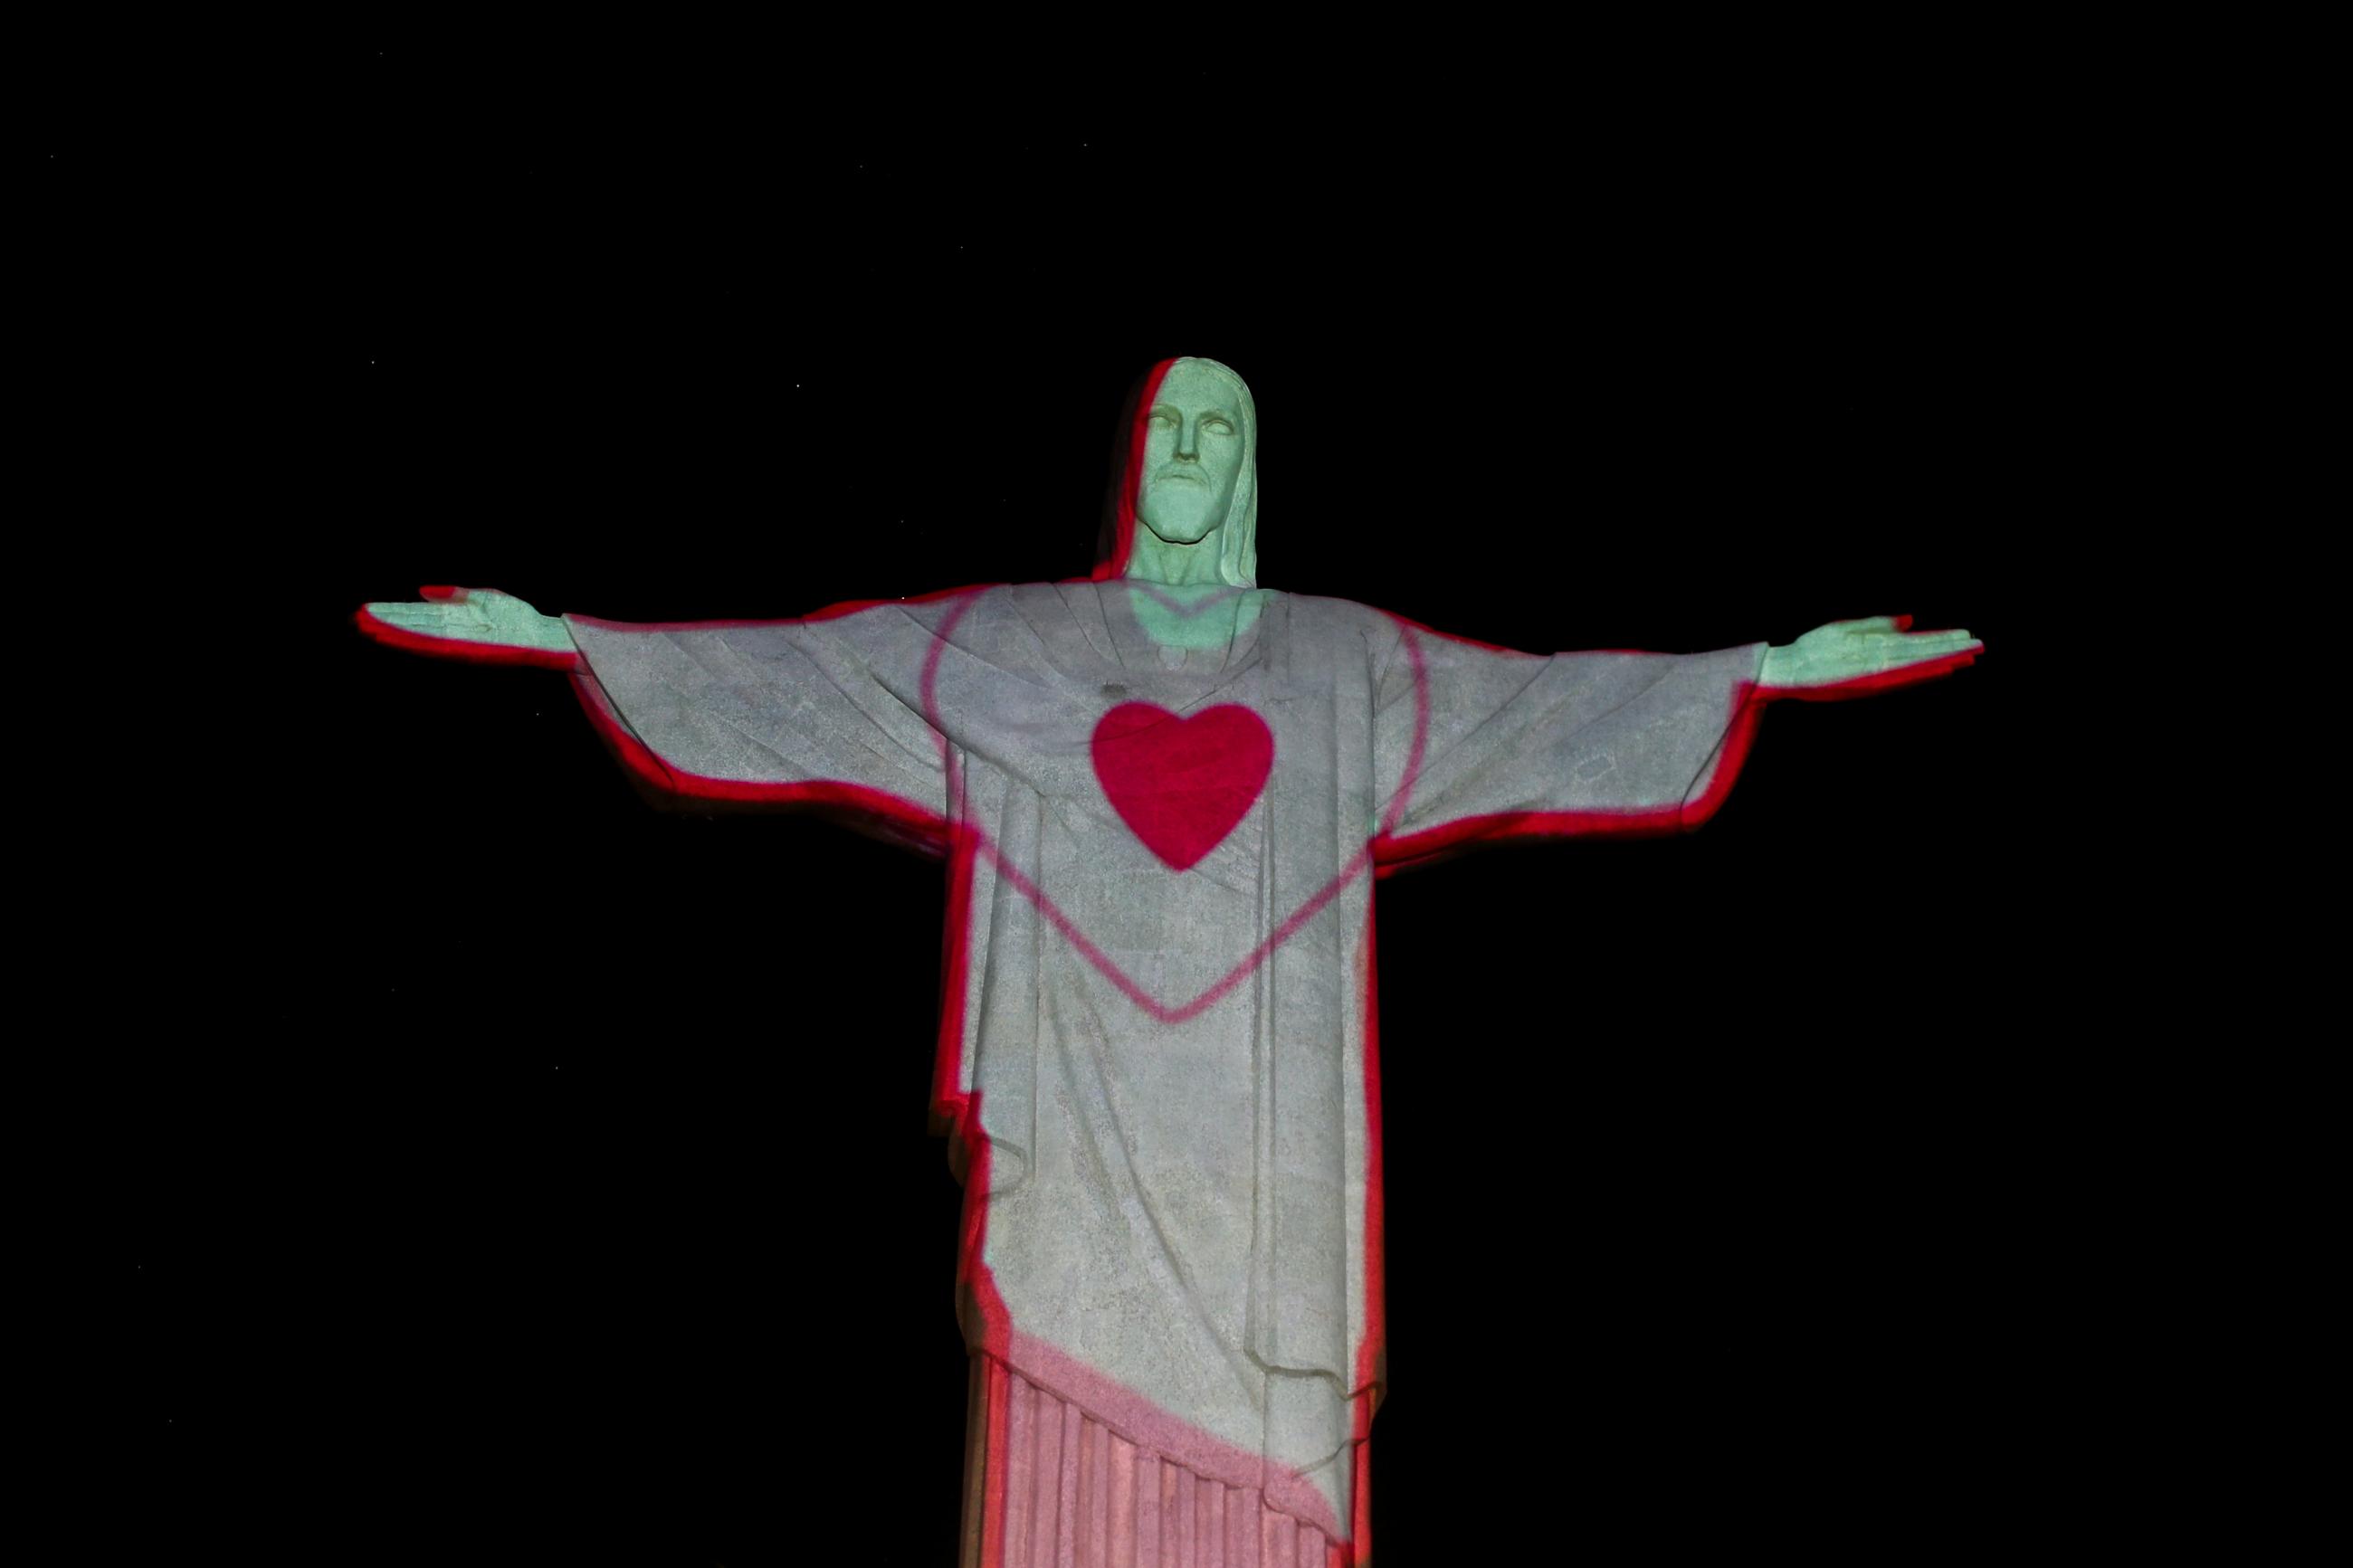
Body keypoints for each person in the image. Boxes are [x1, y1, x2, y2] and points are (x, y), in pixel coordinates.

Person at [360, 356, 1979, 1565]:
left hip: (1266, 1187)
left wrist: (1761, 667)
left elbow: (1535, 708)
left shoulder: (1340, 662)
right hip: (1080, 1152)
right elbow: (814, 673)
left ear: (1252, 462)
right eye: (1172, 423)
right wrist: (575, 636)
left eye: (1224, 427)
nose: (1191, 451)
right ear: (1138, 453)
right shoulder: (1011, 648)